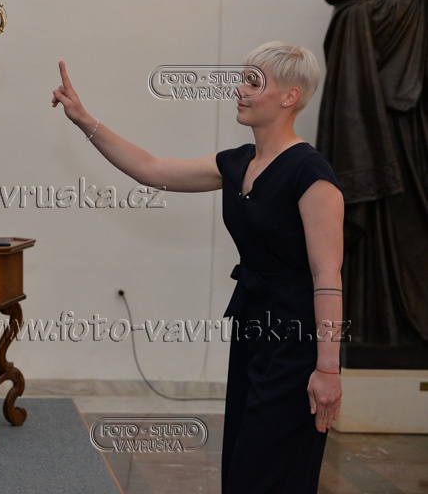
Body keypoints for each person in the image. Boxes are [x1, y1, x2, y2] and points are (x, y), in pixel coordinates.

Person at [52, 42, 343, 493]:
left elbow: (327, 277)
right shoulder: (237, 162)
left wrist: (328, 369)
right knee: (242, 466)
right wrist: (84, 119)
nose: (239, 89)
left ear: (290, 96)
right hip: (251, 327)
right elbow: (149, 169)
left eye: (254, 82)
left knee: (270, 470)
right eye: (242, 78)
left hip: (296, 339)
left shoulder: (311, 174)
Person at [318, 0, 428, 367]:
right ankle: (376, 328)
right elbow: (343, 30)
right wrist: (369, 13)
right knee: (377, 216)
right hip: (370, 121)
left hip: (420, 121)